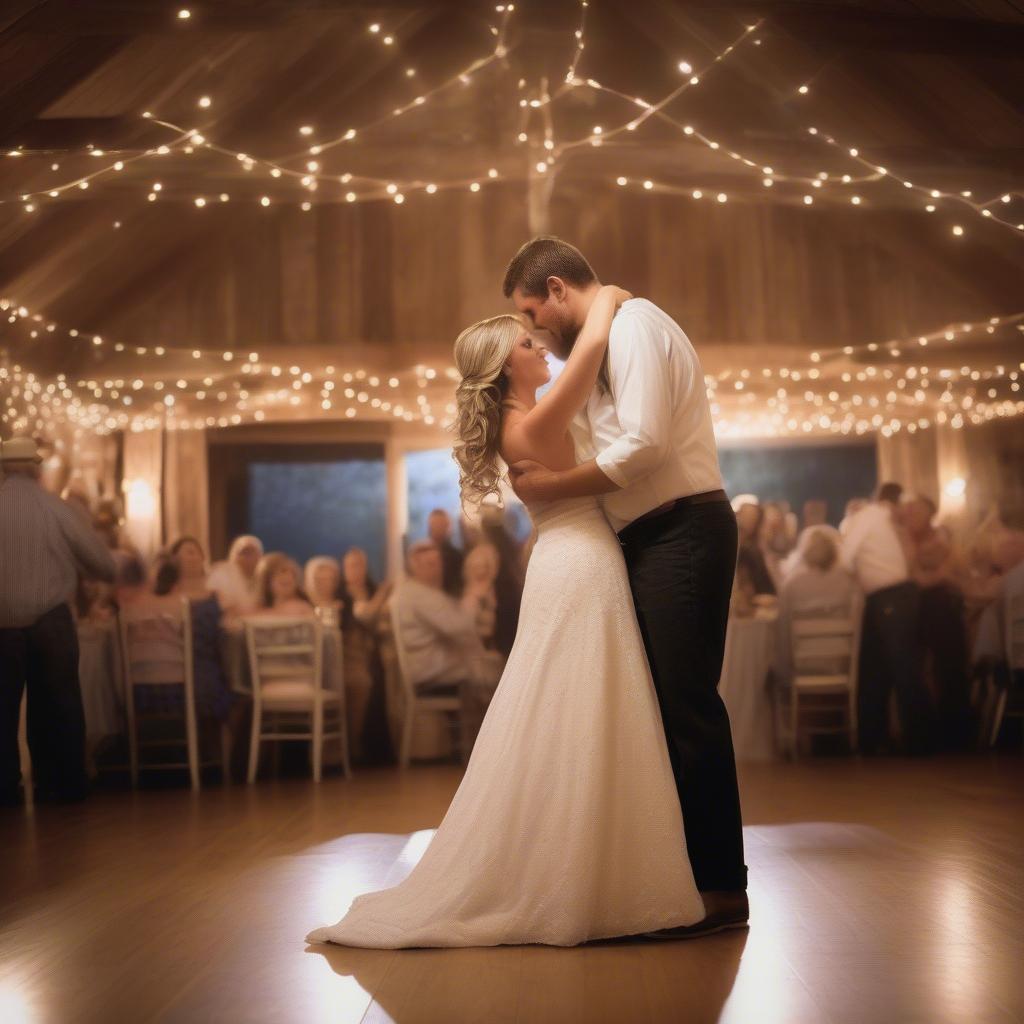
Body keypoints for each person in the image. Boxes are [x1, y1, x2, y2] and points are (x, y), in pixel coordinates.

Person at [307, 269, 707, 948]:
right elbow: (584, 361)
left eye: (534, 330)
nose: (540, 340)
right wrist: (607, 299)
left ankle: (600, 864)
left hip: (579, 561)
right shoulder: (529, 423)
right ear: (505, 365)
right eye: (526, 338)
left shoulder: (532, 418)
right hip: (580, 565)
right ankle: (579, 874)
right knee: (580, 707)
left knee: (588, 708)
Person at [504, 238, 746, 937]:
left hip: (683, 529)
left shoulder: (636, 326)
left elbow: (642, 445)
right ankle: (670, 879)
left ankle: (723, 888)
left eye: (531, 312)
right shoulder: (603, 336)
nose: (536, 331)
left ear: (555, 289)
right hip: (642, 540)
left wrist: (554, 487)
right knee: (653, 712)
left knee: (687, 707)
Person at [0, 436, 116, 804]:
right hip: (50, 620)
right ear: (36, 469)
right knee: (57, 705)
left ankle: (5, 789)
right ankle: (61, 786)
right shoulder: (57, 508)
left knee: (1, 709)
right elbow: (104, 564)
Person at [841, 482, 933, 754]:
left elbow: (846, 558)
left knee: (896, 666)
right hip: (893, 596)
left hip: (889, 597)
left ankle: (914, 742)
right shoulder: (883, 520)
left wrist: (852, 578)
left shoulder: (868, 516)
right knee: (879, 666)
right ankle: (882, 739)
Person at [773, 531, 858, 690]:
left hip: (802, 664)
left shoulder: (791, 585)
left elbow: (783, 634)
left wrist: (783, 675)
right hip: (840, 663)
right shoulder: (849, 583)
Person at [336, 547, 393, 763]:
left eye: (359, 565)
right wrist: (382, 594)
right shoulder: (343, 594)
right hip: (351, 654)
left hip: (375, 651)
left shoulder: (372, 588)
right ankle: (353, 747)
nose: (356, 570)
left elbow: (381, 622)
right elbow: (364, 618)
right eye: (351, 565)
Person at [207, 535, 263, 619]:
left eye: (252, 552)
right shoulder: (221, 572)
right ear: (234, 554)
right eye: (244, 552)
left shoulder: (265, 576)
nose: (248, 556)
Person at [249, 553, 314, 618]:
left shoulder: (303, 608)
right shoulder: (256, 609)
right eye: (282, 571)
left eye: (293, 573)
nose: (288, 577)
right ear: (267, 579)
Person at [427, 509, 464, 597]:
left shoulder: (457, 557)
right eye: (435, 525)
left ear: (448, 528)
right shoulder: (420, 554)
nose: (438, 528)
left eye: (442, 525)